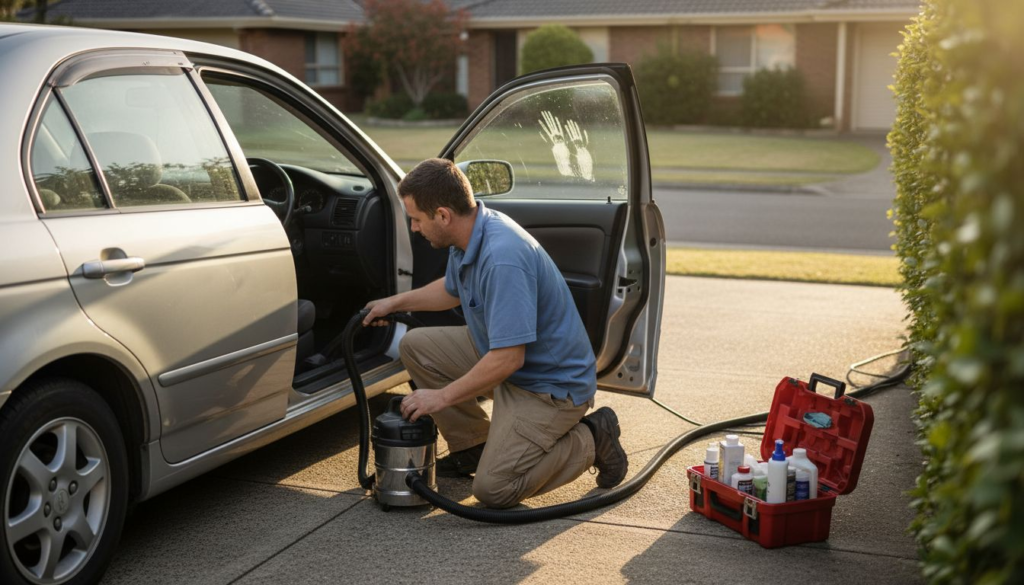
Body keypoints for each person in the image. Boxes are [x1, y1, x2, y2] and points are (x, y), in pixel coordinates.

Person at [363, 158, 627, 509]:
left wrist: (439, 398)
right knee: (416, 346)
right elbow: (451, 289)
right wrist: (393, 303)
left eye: (416, 218)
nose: (413, 227)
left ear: (443, 215)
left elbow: (509, 358)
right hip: (505, 358)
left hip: (547, 386)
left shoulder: (503, 257)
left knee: (495, 489)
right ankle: (472, 446)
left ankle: (595, 437)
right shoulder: (471, 233)